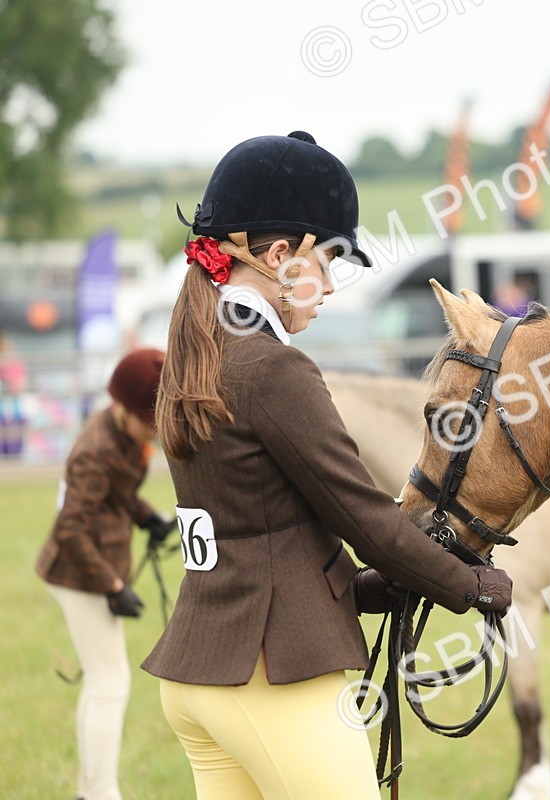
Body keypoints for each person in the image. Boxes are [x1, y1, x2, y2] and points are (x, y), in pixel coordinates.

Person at [142, 131, 513, 800]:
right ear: (279, 255)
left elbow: (258, 533)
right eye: (330, 259)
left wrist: (377, 588)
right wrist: (471, 586)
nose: (332, 287)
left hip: (203, 674)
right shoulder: (272, 368)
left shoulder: (199, 351)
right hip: (272, 678)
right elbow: (365, 518)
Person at [35, 347, 176, 800]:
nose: (155, 435)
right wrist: (113, 587)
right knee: (110, 684)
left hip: (91, 568)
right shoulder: (95, 450)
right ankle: (99, 793)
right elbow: (70, 528)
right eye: (150, 423)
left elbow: (115, 491)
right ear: (125, 407)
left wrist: (146, 516)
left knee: (104, 681)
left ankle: (89, 788)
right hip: (80, 575)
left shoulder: (120, 434)